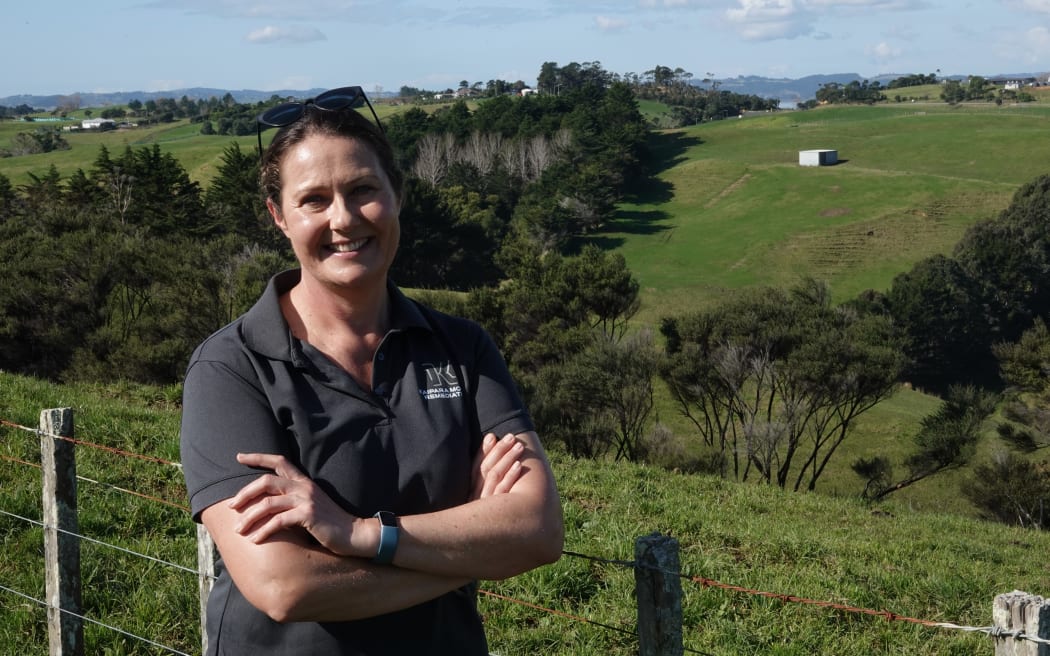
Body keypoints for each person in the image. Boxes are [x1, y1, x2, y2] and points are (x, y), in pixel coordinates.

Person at [179, 86, 564, 655]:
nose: (343, 219)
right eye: (314, 199)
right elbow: (283, 584)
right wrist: (476, 546)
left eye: (362, 190)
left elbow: (537, 530)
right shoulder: (233, 368)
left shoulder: (462, 348)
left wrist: (358, 534)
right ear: (278, 216)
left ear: (397, 195)